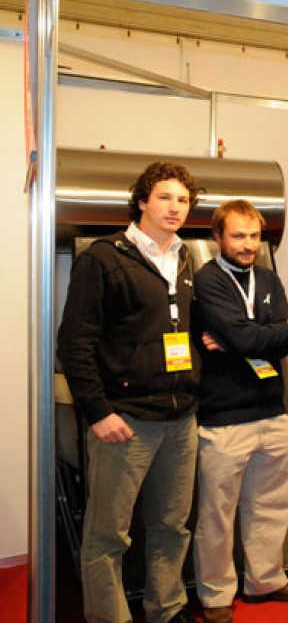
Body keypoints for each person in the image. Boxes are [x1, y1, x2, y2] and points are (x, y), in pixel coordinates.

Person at [57, 161, 200, 623]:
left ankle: (167, 608)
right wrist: (98, 412)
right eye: (165, 197)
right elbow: (74, 342)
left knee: (171, 527)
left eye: (183, 199)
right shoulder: (103, 257)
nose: (175, 207)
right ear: (142, 201)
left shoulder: (184, 258)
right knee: (107, 537)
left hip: (180, 418)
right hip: (126, 422)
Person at [191, 200, 288, 622]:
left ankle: (265, 580)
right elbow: (253, 339)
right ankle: (216, 594)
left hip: (273, 413)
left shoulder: (269, 278)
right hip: (223, 419)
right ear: (218, 237)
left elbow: (276, 335)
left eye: (254, 236)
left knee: (271, 505)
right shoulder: (207, 281)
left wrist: (276, 334)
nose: (248, 245)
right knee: (217, 513)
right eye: (238, 236)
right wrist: (277, 333)